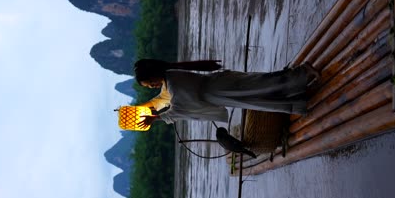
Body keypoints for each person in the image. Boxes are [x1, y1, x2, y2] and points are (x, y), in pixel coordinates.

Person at [134, 59, 319, 129]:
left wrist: (156, 119)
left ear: (154, 76)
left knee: (263, 86)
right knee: (259, 97)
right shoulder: (170, 81)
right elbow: (161, 100)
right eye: (149, 86)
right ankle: (300, 97)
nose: (151, 86)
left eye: (150, 83)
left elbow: (179, 108)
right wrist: (144, 110)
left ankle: (303, 74)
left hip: (220, 89)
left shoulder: (174, 83)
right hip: (220, 89)